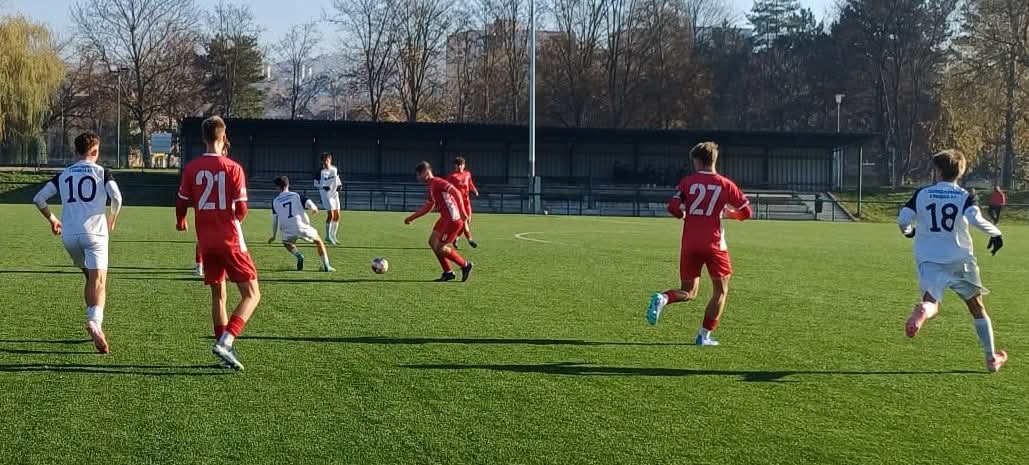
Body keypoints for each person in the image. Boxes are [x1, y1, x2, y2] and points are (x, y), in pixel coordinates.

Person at [898, 150, 1007, 373]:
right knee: (977, 308)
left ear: (937, 171)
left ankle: (923, 311)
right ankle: (991, 358)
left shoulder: (922, 194)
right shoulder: (964, 195)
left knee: (932, 303)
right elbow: (974, 219)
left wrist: (909, 231)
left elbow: (903, 220)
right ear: (961, 171)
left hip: (930, 260)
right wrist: (996, 233)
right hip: (960, 260)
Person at [645, 142, 752, 346]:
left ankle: (664, 298)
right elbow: (747, 212)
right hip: (714, 245)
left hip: (690, 244)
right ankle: (704, 336)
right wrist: (730, 214)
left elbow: (673, 207)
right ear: (714, 160)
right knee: (720, 291)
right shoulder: (725, 184)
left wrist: (683, 214)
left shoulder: (688, 182)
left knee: (689, 292)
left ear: (698, 160)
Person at [176, 116, 260, 371]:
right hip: (229, 238)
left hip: (206, 241)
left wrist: (181, 220)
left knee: (218, 295)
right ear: (224, 138)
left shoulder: (192, 168)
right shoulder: (233, 168)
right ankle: (227, 340)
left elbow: (181, 202)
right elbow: (242, 209)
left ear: (204, 138)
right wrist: (235, 219)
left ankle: (225, 350)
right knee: (253, 294)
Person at [32, 132, 123, 354]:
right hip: (95, 234)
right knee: (99, 281)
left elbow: (39, 198)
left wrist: (53, 220)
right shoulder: (103, 172)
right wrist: (112, 218)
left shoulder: (64, 174)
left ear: (76, 151)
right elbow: (117, 197)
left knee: (90, 277)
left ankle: (93, 316)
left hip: (69, 236)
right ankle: (95, 322)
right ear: (95, 151)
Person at [404, 161, 474, 282]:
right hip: (445, 218)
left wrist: (462, 211)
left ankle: (465, 265)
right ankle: (448, 272)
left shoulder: (437, 182)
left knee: (440, 248)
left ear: (425, 172)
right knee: (432, 242)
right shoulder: (431, 185)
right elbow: (429, 207)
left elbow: (456, 192)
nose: (417, 178)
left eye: (418, 175)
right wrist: (412, 217)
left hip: (453, 219)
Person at [267, 176, 335, 272]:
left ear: (277, 187)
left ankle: (299, 255)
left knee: (286, 243)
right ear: (288, 184)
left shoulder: (275, 201)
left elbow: (275, 220)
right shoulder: (296, 195)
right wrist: (314, 208)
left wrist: (273, 236)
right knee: (319, 241)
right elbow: (309, 202)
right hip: (302, 227)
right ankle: (326, 266)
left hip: (287, 230)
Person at [447, 156, 479, 248]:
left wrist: (475, 190)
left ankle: (456, 238)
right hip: (458, 202)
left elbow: (470, 183)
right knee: (464, 221)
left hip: (467, 201)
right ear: (455, 166)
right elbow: (444, 185)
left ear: (464, 165)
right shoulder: (452, 176)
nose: (460, 166)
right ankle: (470, 240)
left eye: (461, 164)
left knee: (468, 221)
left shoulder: (467, 174)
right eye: (458, 165)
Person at [315, 153, 342, 245]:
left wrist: (339, 185)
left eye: (328, 160)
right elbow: (315, 184)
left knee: (337, 215)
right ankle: (328, 236)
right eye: (324, 160)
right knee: (330, 214)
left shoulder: (334, 169)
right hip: (325, 194)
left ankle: (333, 235)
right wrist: (323, 187)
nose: (326, 162)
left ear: (330, 160)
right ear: (322, 161)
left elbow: (337, 179)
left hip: (334, 193)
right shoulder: (320, 171)